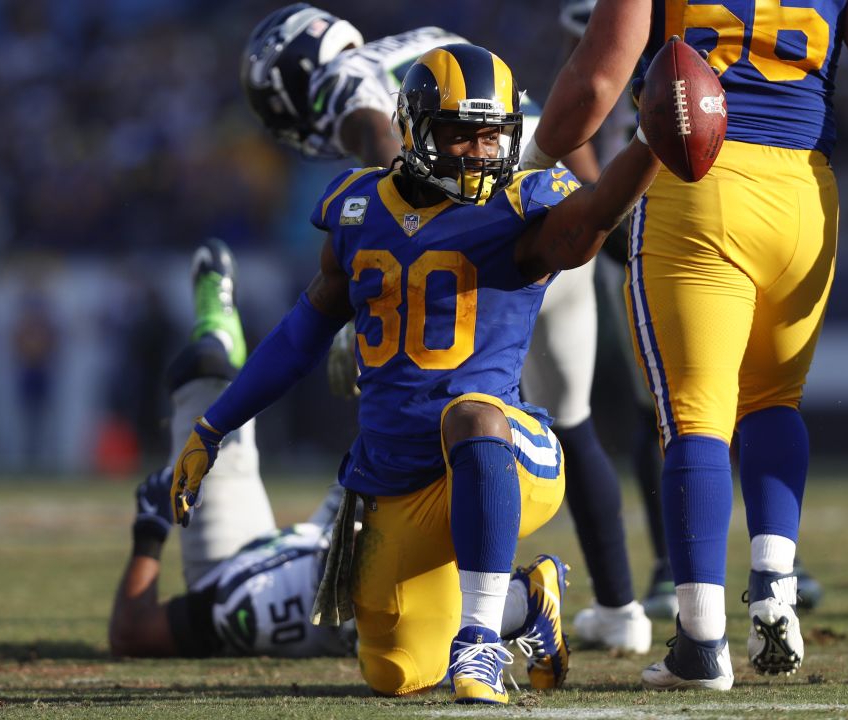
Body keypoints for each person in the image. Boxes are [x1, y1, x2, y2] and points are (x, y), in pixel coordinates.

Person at [170, 43, 662, 703]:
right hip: (396, 479)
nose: (481, 153)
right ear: (415, 129)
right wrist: (213, 425)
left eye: (494, 137)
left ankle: (482, 643)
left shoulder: (521, 208)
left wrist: (651, 146)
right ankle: (525, 600)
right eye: (462, 136)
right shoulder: (357, 209)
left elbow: (594, 216)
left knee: (471, 412)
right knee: (396, 672)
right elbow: (298, 337)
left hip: (507, 452)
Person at [523, 0, 848, 690]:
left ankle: (701, 639)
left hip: (698, 179)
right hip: (806, 192)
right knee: (774, 401)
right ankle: (775, 585)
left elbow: (598, 79)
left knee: (695, 413)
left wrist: (528, 161)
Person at [109, 240, 570, 667]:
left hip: (244, 561)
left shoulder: (249, 603)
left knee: (206, 371)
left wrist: (148, 531)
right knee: (413, 636)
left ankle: (218, 329)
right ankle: (519, 601)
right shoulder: (345, 554)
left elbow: (133, 635)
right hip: (314, 551)